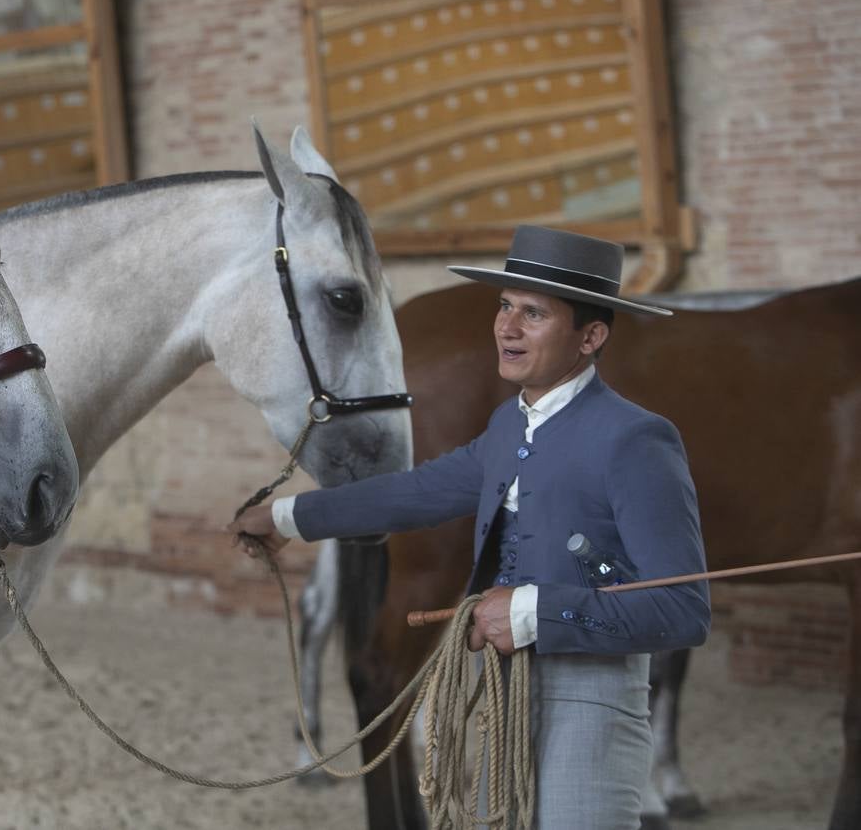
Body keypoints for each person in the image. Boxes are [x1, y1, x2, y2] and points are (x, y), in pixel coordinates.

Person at [228, 224, 710, 829]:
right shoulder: (510, 424)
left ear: (590, 336)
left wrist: (533, 613)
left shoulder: (637, 439)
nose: (506, 328)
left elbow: (683, 610)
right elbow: (421, 490)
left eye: (533, 313)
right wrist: (286, 516)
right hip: (504, 704)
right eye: (505, 307)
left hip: (592, 710)